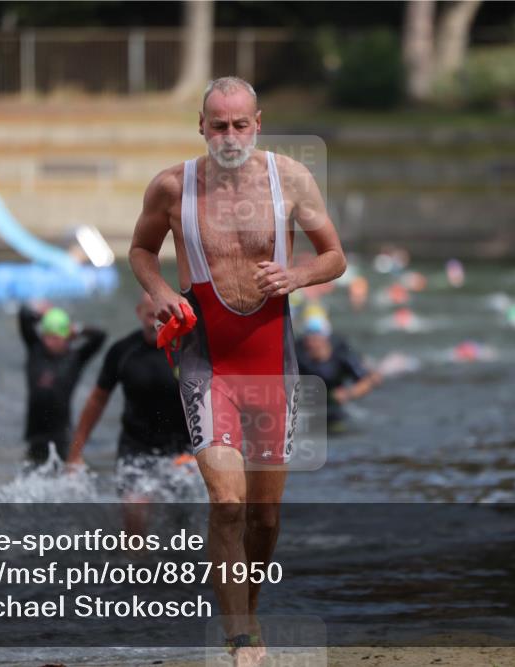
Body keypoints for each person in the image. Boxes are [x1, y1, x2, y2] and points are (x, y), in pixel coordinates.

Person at [128, 76, 345, 665]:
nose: (229, 135)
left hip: (273, 364)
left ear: (257, 123)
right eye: (218, 125)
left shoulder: (290, 179)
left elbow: (336, 256)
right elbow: (141, 251)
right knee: (227, 502)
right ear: (201, 126)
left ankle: (242, 608)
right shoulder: (173, 186)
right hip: (206, 363)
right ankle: (241, 637)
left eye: (240, 124)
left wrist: (297, 275)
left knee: (264, 517)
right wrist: (159, 291)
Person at [67, 293, 196, 532]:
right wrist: (76, 451)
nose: (155, 320)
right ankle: (135, 563)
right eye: (150, 314)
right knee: (135, 508)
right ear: (139, 314)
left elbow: (209, 398)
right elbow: (97, 400)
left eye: (162, 315)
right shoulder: (123, 351)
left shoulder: (187, 349)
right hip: (135, 447)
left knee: (180, 521)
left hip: (182, 449)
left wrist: (201, 451)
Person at [18, 301, 106, 470]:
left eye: (56, 337)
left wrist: (77, 330)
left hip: (61, 434)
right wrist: (42, 313)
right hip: (34, 434)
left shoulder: (75, 358)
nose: (50, 342)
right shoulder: (35, 350)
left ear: (66, 337)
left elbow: (100, 336)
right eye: (47, 336)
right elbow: (23, 316)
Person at [295, 315, 381, 432]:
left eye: (316, 338)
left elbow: (367, 380)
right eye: (309, 338)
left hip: (333, 400)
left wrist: (348, 394)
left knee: (337, 427)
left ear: (326, 339)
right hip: (308, 400)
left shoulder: (341, 353)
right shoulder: (297, 353)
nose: (312, 343)